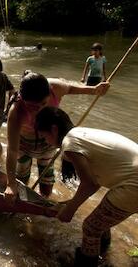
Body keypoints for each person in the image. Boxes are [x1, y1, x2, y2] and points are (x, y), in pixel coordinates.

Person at [35, 107, 138, 266]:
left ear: (54, 129)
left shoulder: (70, 143)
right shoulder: (80, 133)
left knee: (90, 228)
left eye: (44, 136)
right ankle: (104, 255)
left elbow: (89, 185)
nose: (45, 142)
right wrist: (69, 203)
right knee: (100, 221)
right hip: (131, 179)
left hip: (133, 184)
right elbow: (94, 183)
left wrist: (69, 210)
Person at [4, 71, 109, 198]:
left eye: (43, 103)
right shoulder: (16, 111)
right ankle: (22, 200)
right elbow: (12, 150)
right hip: (24, 145)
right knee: (21, 177)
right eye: (33, 107)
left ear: (49, 93)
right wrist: (11, 184)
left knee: (46, 179)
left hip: (48, 142)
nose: (40, 109)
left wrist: (94, 90)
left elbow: (70, 88)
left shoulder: (55, 87)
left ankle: (43, 200)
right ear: (22, 99)